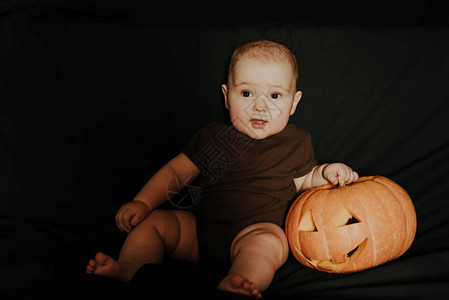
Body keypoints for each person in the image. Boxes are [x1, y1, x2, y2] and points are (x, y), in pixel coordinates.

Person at [86, 39, 358, 298]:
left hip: (254, 229)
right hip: (199, 232)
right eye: (247, 93)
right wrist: (143, 202)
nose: (260, 105)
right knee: (154, 222)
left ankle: (241, 279)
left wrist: (324, 173)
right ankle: (130, 268)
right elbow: (176, 173)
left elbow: (303, 181)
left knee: (269, 242)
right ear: (227, 97)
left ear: (294, 103)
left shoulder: (296, 142)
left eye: (275, 95)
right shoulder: (213, 138)